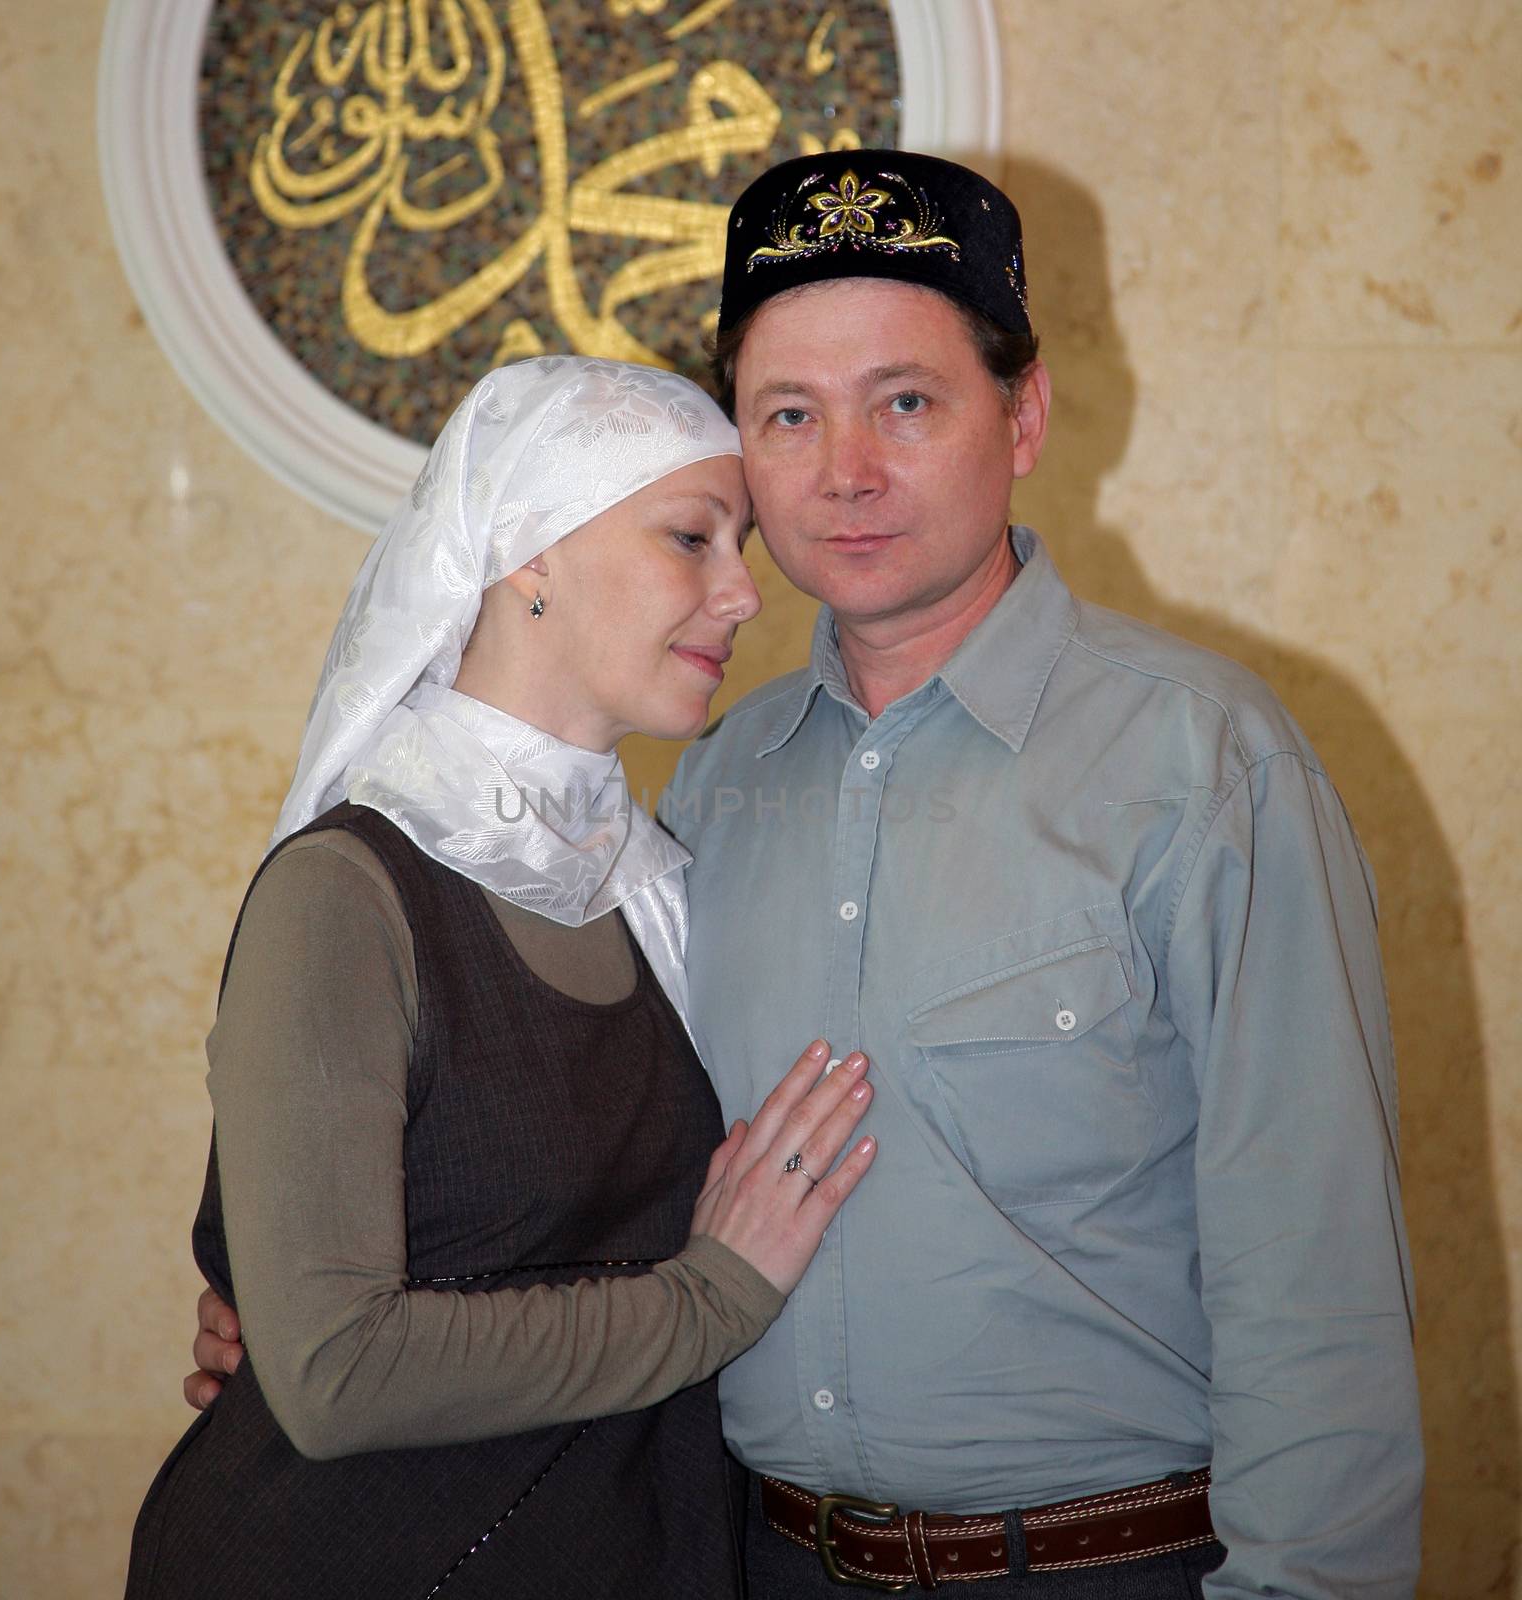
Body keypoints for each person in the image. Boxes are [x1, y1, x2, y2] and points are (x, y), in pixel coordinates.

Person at [193, 154, 1423, 1597]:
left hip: (1103, 1566)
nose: (845, 471)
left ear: (1021, 415)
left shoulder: (1204, 770)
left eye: (906, 402)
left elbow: (1320, 1295)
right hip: (755, 1563)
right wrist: (290, 1289)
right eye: (789, 416)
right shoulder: (706, 792)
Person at [130, 355, 878, 1600]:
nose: (744, 593)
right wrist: (708, 1298)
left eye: (737, 542)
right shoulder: (351, 891)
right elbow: (334, 1372)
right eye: (691, 536)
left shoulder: (665, 884)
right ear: (528, 551)